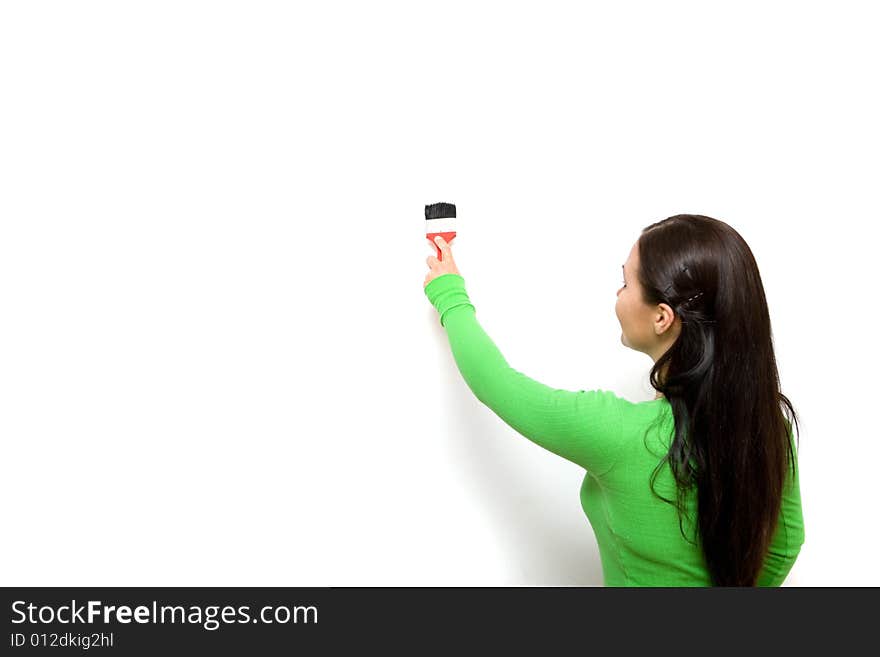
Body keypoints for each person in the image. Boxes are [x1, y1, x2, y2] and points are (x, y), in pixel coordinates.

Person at [423, 214, 804, 587]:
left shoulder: (623, 433)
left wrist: (449, 293)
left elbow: (499, 385)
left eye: (625, 283)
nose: (618, 295)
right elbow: (787, 545)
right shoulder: (770, 426)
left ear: (662, 317)